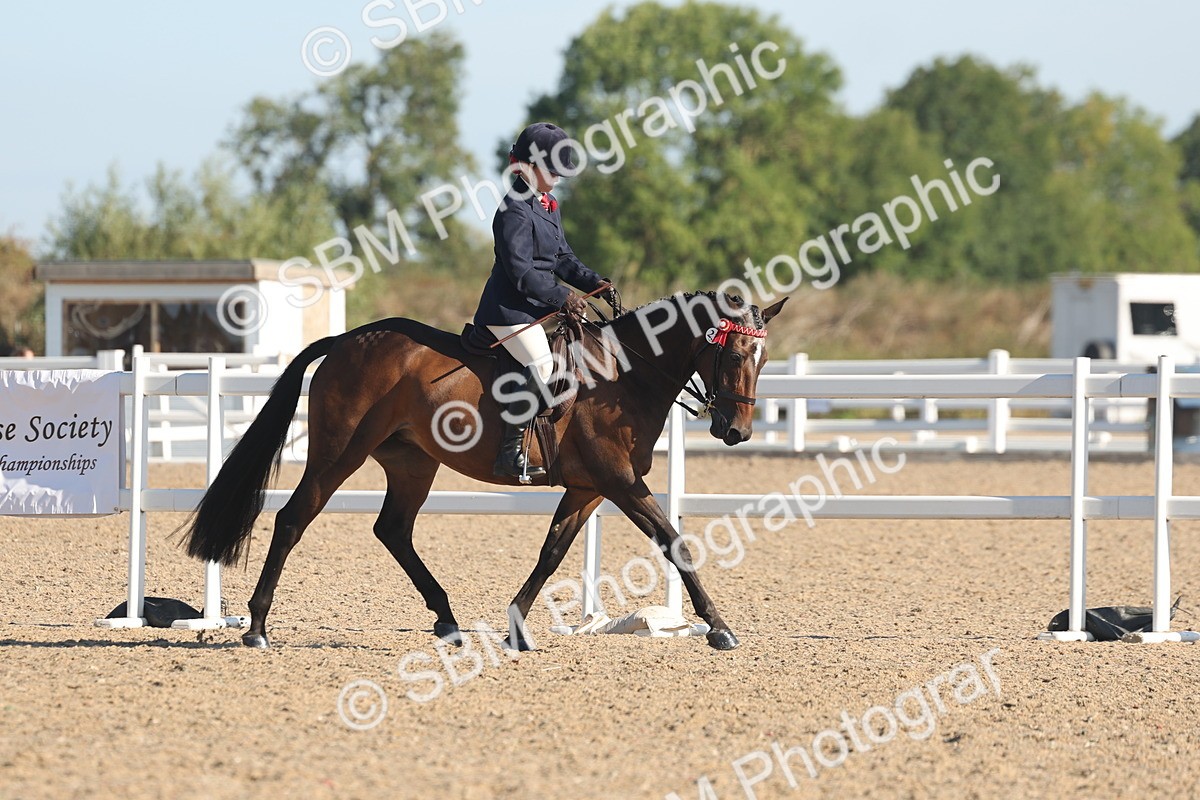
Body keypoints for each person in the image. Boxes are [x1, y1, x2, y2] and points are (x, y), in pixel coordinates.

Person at [471, 122, 611, 480]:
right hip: (509, 310)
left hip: (535, 306)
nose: (558, 177)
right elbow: (520, 272)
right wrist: (563, 295)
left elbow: (562, 258)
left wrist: (594, 281)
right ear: (527, 167)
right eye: (552, 170)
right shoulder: (513, 210)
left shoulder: (548, 206)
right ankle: (509, 452)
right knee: (543, 364)